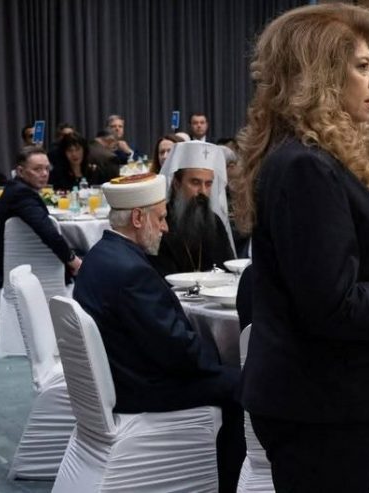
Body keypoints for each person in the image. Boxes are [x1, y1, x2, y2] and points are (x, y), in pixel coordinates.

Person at [233, 3, 369, 493]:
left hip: (322, 399)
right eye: (362, 66)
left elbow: (324, 267)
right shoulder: (305, 166)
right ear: (322, 77)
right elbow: (330, 305)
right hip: (320, 403)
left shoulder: (307, 158)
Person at [72, 173, 244, 492]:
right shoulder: (132, 272)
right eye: (161, 218)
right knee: (243, 385)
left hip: (120, 378)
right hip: (141, 388)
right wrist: (222, 360)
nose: (165, 227)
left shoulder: (99, 255)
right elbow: (178, 351)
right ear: (138, 218)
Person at [0, 146, 80, 288]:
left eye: (47, 168)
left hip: (21, 271)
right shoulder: (21, 194)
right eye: (37, 169)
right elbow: (48, 232)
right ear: (20, 171)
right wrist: (73, 261)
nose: (44, 173)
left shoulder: (15, 189)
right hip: (35, 275)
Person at [153, 140, 237, 274]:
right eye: (195, 182)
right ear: (177, 184)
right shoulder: (160, 223)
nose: (203, 191)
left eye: (208, 184)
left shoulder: (215, 222)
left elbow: (227, 267)